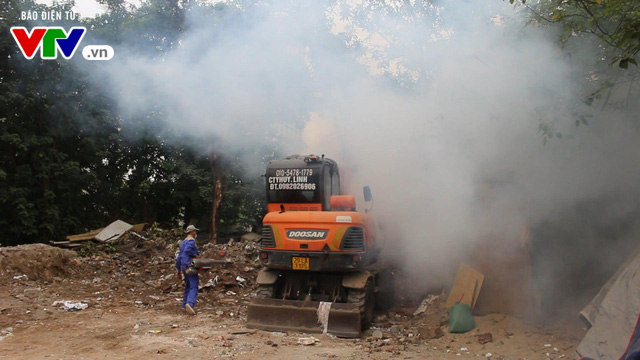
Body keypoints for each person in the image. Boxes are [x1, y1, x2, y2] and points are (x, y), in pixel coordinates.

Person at [176, 224, 200, 315]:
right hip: (189, 265)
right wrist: (196, 255)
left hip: (183, 265)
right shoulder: (191, 240)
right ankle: (190, 304)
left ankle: (184, 304)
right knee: (194, 285)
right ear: (191, 232)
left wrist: (178, 269)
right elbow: (188, 250)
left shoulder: (183, 242)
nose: (196, 233)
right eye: (195, 231)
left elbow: (179, 257)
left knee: (188, 285)